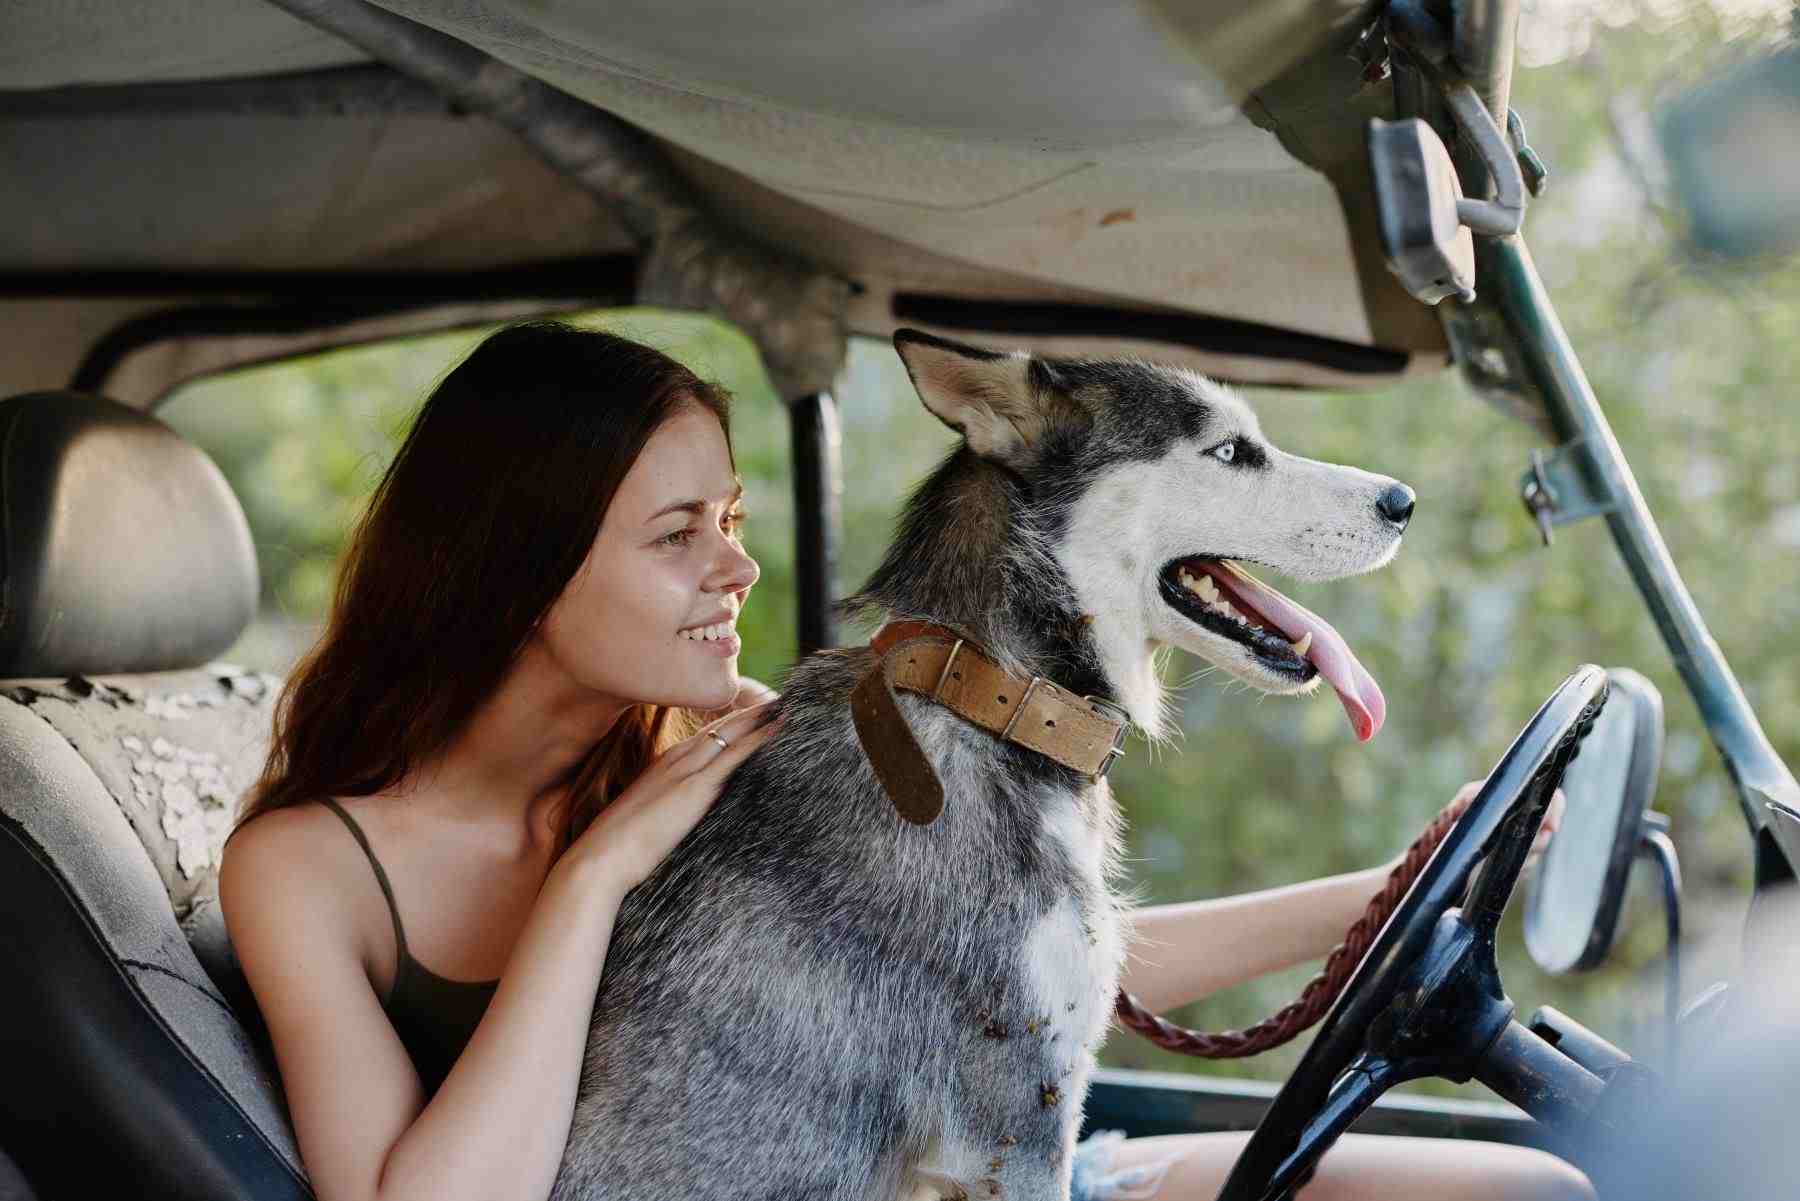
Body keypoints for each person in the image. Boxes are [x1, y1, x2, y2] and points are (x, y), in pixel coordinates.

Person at [221, 320, 1588, 1201]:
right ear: (514, 564)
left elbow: (1008, 968)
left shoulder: (733, 740)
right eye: (677, 533)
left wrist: (1397, 890)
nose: (738, 565)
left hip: (949, 1170)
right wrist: (595, 878)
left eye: (736, 517)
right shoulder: (308, 870)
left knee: (1536, 1195)